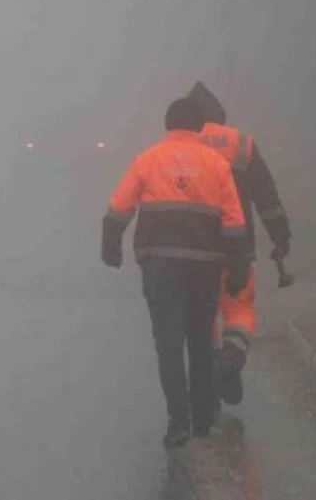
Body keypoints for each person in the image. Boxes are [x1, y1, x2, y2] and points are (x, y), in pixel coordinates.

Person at [102, 97, 250, 448]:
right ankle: (202, 418)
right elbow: (233, 221)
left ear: (168, 124)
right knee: (200, 341)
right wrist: (239, 265)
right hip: (204, 269)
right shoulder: (216, 164)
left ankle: (178, 422)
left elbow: (118, 208)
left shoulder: (147, 159)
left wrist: (111, 247)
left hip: (160, 269)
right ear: (200, 127)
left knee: (168, 345)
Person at [185, 82, 293, 408]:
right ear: (221, 115)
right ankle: (230, 361)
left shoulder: (181, 147)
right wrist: (280, 237)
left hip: (196, 249)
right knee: (239, 309)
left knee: (204, 313)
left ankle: (212, 366)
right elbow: (267, 197)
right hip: (238, 248)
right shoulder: (242, 144)